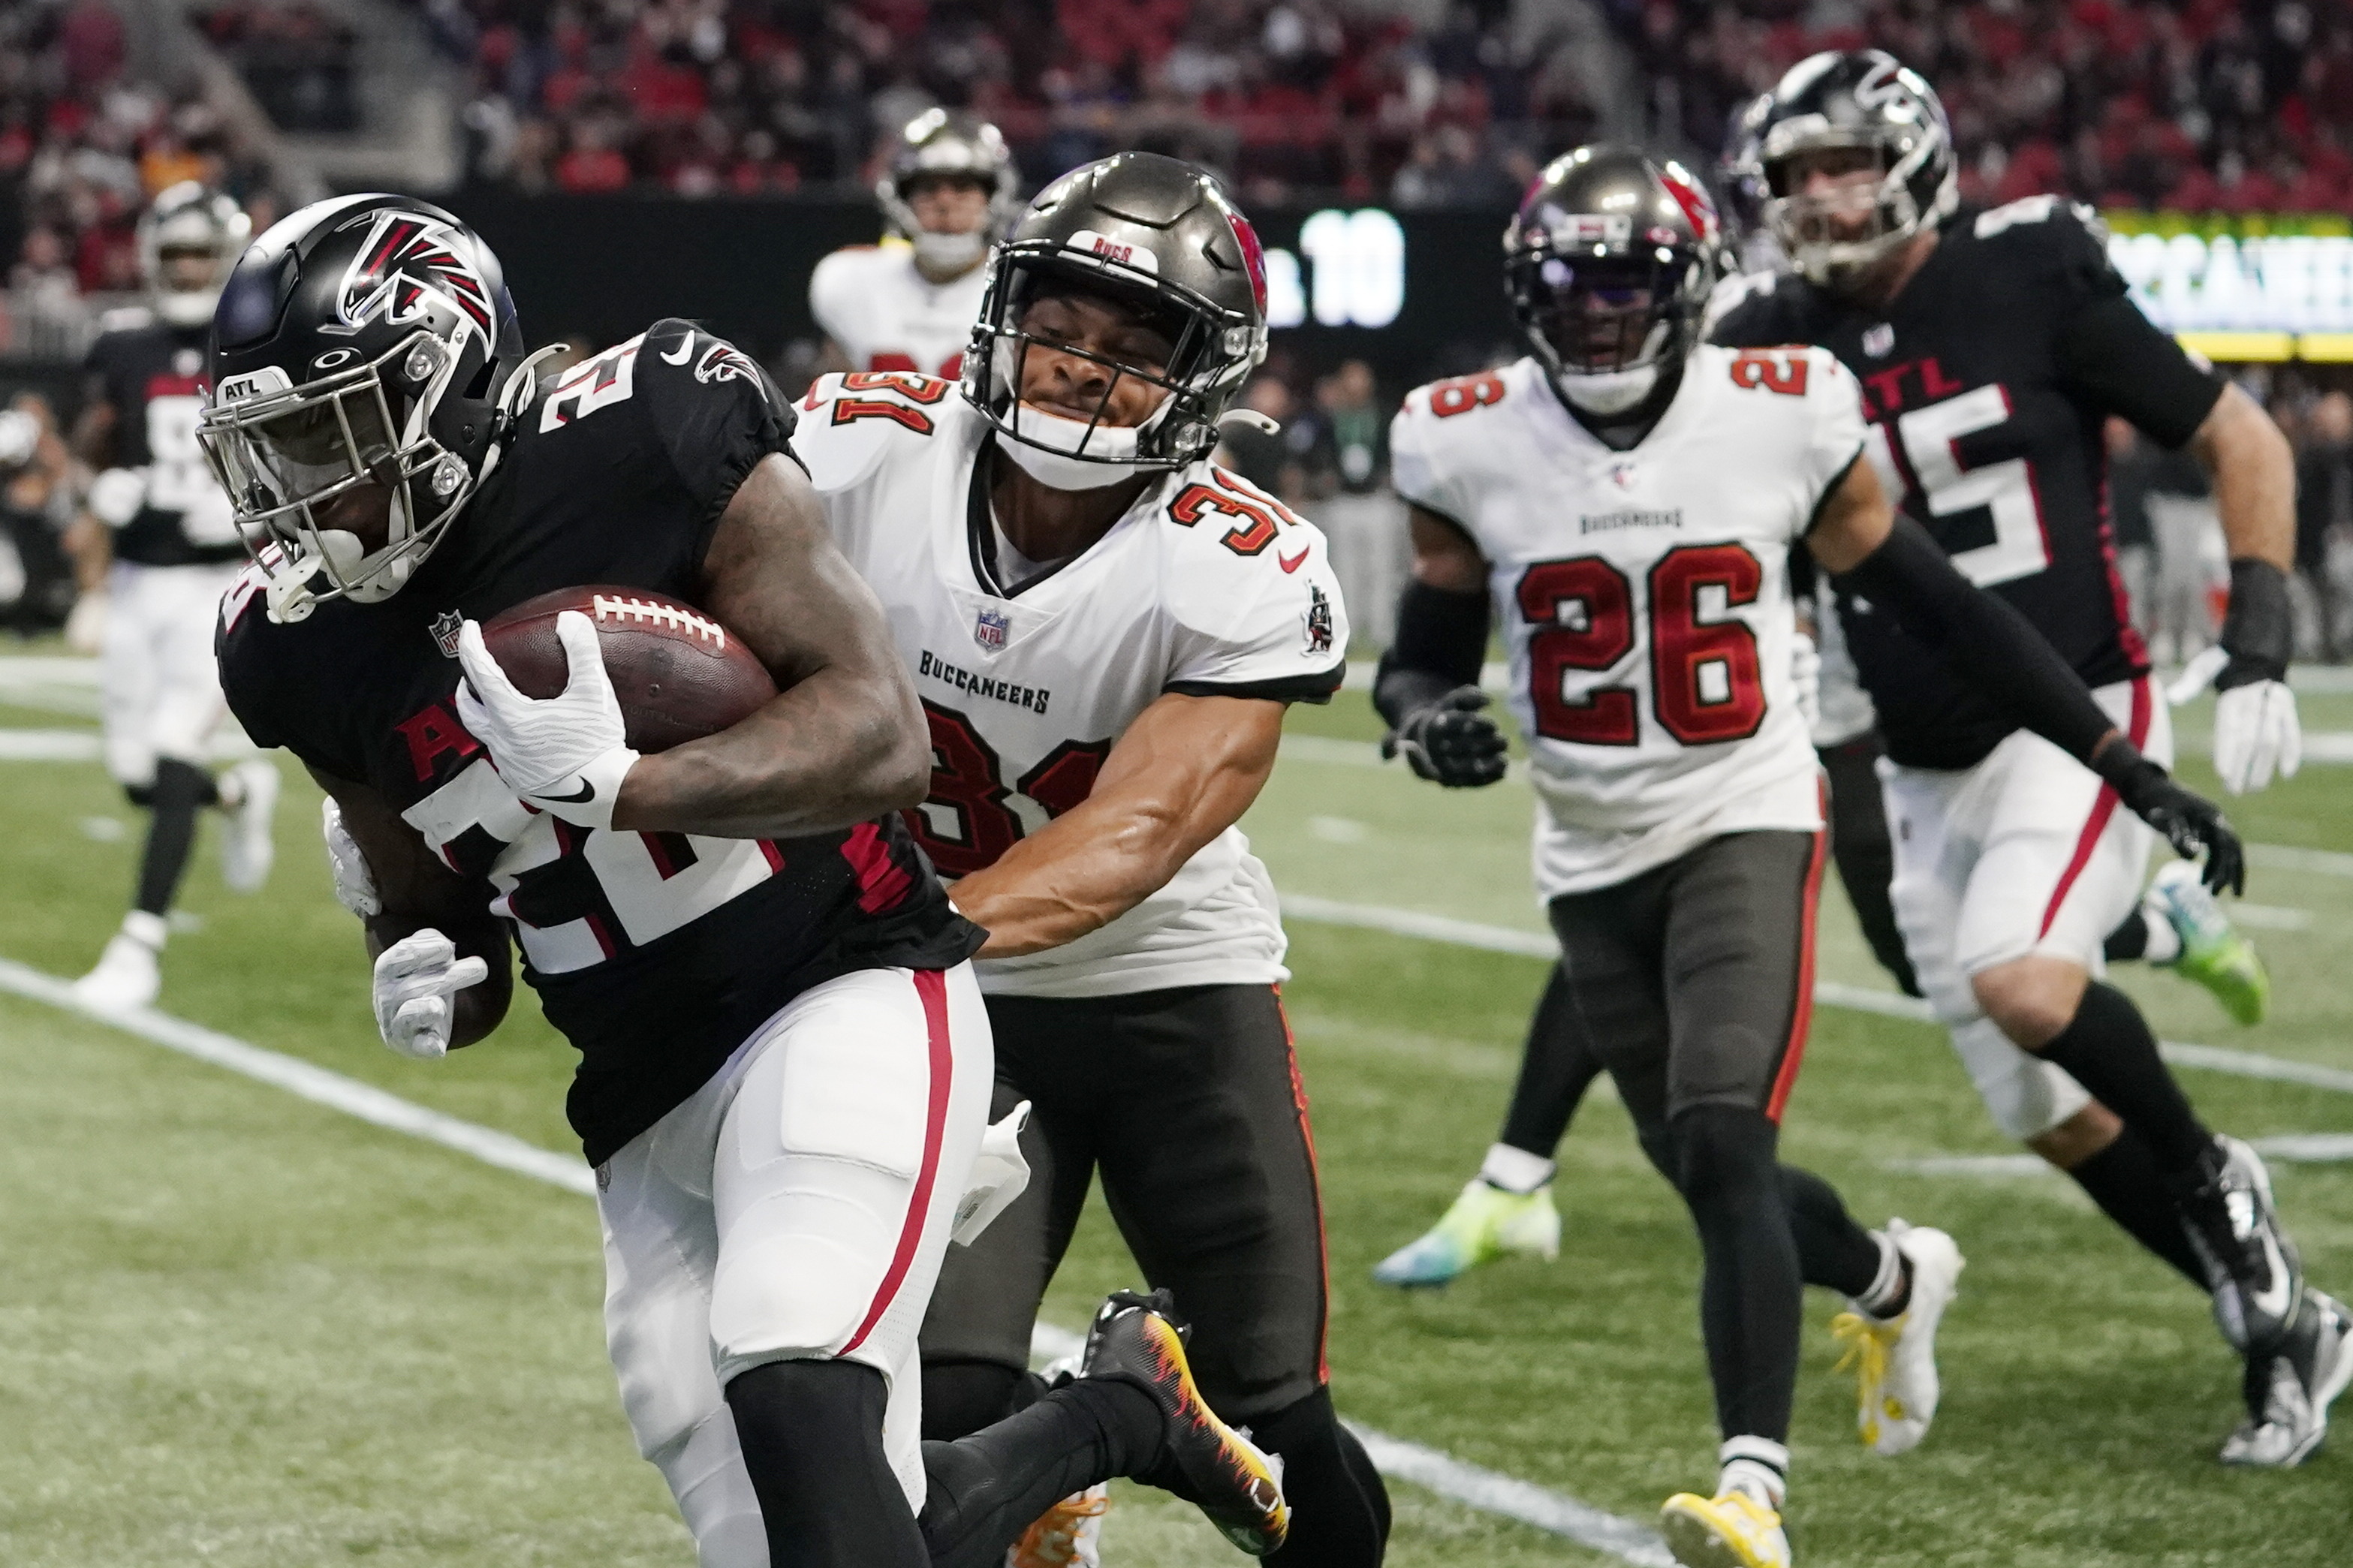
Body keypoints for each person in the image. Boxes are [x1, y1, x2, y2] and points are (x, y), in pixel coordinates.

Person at [202, 191, 1290, 1568]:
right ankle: (1118, 1410)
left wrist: (632, 784)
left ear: (441, 382)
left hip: (840, 978)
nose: (301, 491)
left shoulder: (644, 427)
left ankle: (1113, 1410)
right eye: (269, 449)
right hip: (640, 1088)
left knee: (793, 1370)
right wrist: (416, 956)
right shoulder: (288, 646)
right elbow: (443, 920)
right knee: (811, 1532)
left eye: (326, 435)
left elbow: (880, 733)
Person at [1374, 143, 2255, 1568]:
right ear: (1523, 296)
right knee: (1709, 1175)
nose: (1597, 319)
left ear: (1691, 287)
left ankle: (1749, 1487)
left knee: (1726, 1135)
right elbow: (1414, 659)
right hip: (1588, 846)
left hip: (1744, 807)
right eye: (1569, 291)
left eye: (1626, 289)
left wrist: (2120, 763)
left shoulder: (1774, 409)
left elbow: (1941, 604)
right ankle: (1893, 1276)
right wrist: (1426, 720)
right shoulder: (1457, 434)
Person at [1710, 50, 2342, 1467]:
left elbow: (2236, 432)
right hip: (1916, 765)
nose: (1817, 197)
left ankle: (2215, 1183)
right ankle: (2287, 1316)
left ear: (1914, 160)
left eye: (1842, 164)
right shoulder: (1756, 331)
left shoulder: (2025, 269)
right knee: (2043, 1109)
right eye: (1795, 174)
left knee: (2022, 976)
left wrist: (2256, 635)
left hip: (2077, 715)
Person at [796, 151, 1389, 1568]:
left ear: (1206, 379)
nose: (1081, 371)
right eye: (1061, 328)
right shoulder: (854, 447)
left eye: (1139, 351)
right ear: (1003, 319)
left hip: (1163, 991)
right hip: (954, 1004)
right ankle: (1108, 1421)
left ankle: (1143, 1414)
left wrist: (877, 934)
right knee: (934, 1421)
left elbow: (1130, 837)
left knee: (1277, 1419)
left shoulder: (1238, 556)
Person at [68, 180, 279, 1010]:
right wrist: (98, 486)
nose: (189, 268)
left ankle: (138, 945)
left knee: (170, 748)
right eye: (176, 254)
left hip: (216, 587)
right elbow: (91, 444)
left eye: (202, 253)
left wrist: (243, 513)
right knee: (134, 776)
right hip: (135, 584)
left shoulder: (260, 349)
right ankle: (235, 795)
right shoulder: (123, 348)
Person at [809, 109, 1019, 379]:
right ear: (901, 199)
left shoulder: (1019, 292)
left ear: (994, 197)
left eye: (963, 187)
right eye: (928, 188)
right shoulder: (848, 281)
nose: (945, 203)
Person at [2294, 390, 2350, 662]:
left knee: (2342, 583)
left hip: (2343, 537)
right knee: (2314, 596)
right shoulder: (2311, 455)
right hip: (2314, 539)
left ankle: (2342, 643)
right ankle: (2320, 647)